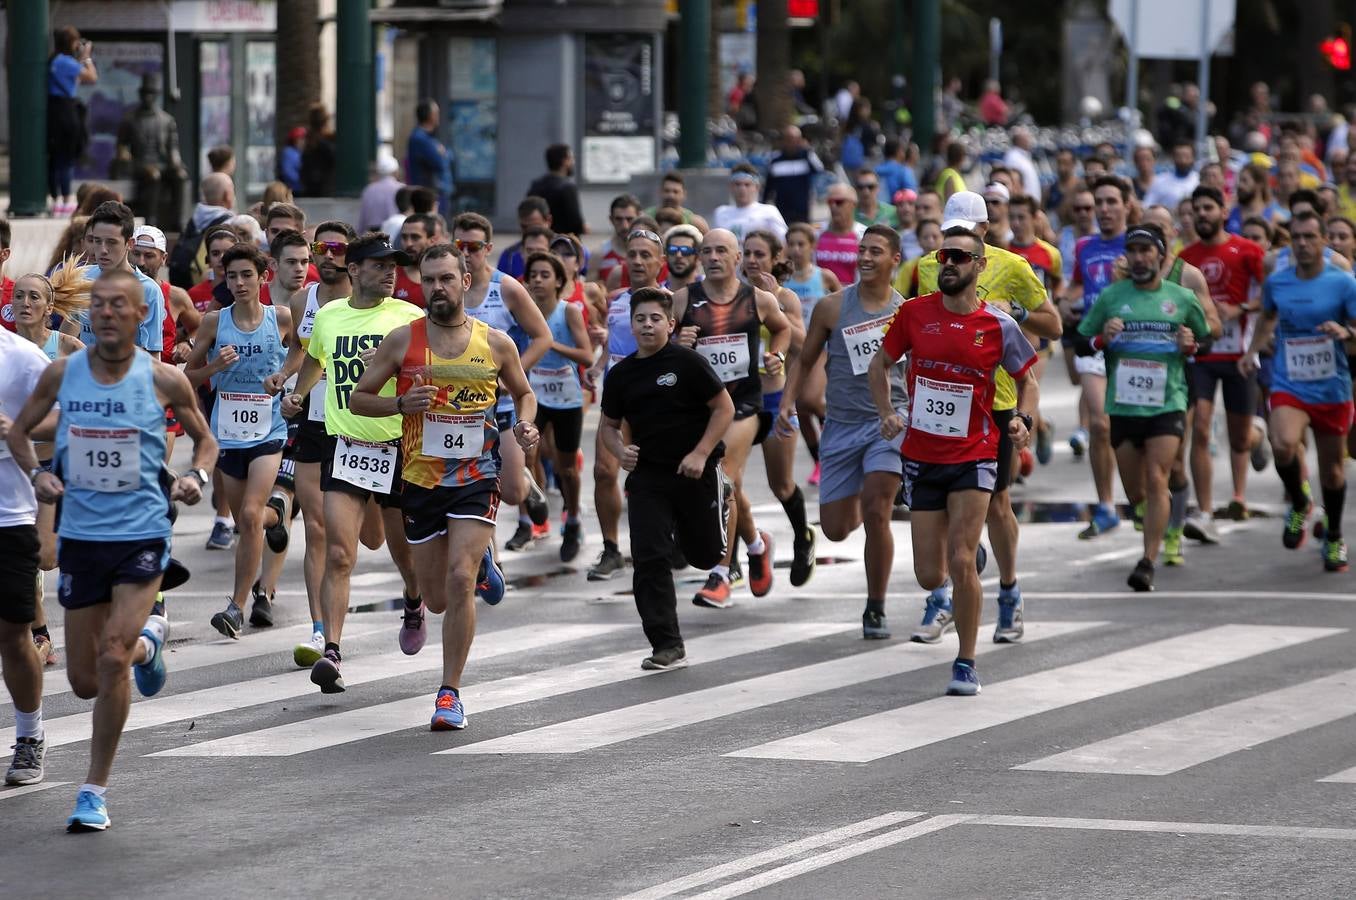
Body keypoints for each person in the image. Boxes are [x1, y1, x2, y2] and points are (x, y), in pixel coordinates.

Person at [7, 268, 216, 832]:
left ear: (139, 313)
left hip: (143, 531)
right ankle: (153, 646)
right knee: (84, 681)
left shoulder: (164, 379)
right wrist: (39, 476)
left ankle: (93, 789)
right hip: (82, 536)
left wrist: (196, 474)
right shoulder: (62, 373)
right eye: (97, 304)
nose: (105, 312)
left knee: (113, 653)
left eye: (117, 305)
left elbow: (205, 438)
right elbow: (20, 432)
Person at [351, 242, 536, 728]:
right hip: (420, 479)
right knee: (435, 598)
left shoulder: (495, 342)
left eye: (445, 279)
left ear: (465, 280)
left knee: (459, 579)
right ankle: (480, 564)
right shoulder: (401, 341)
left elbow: (524, 393)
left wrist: (525, 425)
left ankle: (449, 693)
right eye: (428, 280)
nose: (436, 288)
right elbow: (358, 399)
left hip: (477, 476)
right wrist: (400, 406)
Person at [874, 226, 1038, 695]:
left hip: (975, 453)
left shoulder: (998, 325)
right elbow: (878, 365)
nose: (949, 263)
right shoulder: (913, 314)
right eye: (944, 255)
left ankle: (966, 662)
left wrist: (1023, 419)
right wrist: (888, 410)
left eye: (960, 257)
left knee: (961, 560)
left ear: (979, 266)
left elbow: (1028, 377)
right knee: (931, 573)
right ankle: (965, 560)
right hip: (921, 456)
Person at [896, 191, 1060, 646]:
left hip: (997, 400)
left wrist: (1018, 312)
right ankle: (946, 589)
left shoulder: (1012, 266)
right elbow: (905, 315)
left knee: (997, 502)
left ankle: (1008, 589)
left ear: (985, 232)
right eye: (949, 232)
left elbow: (1054, 325)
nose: (952, 243)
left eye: (965, 232)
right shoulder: (928, 265)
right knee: (946, 517)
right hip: (936, 400)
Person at [282, 233, 426, 692]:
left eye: (394, 266)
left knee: (400, 549)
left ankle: (414, 596)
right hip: (345, 445)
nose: (390, 273)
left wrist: (389, 366)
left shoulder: (408, 317)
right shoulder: (328, 315)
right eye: (380, 264)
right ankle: (332, 650)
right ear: (355, 270)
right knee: (340, 553)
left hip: (399, 446)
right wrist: (299, 394)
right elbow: (316, 359)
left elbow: (431, 370)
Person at [780, 225, 906, 638]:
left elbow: (923, 369)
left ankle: (875, 607)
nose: (866, 257)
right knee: (835, 528)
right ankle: (872, 500)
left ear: (895, 260)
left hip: (888, 423)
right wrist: (787, 404)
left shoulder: (906, 313)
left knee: (876, 509)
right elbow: (804, 359)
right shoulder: (833, 308)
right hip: (842, 425)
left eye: (876, 251)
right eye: (862, 250)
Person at [601, 287, 734, 669]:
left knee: (704, 554)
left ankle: (721, 496)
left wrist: (701, 453)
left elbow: (723, 408)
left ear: (670, 324)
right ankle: (666, 643)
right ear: (632, 324)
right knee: (649, 557)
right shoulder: (622, 375)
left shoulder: (687, 363)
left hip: (695, 471)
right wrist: (618, 451)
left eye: (655, 318)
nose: (647, 325)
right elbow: (609, 426)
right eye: (640, 318)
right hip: (648, 478)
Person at [1075, 225, 1213, 591]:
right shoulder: (1112, 296)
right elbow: (1081, 343)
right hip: (1123, 405)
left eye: (1145, 250)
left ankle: (1147, 560)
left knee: (1157, 479)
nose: (1139, 257)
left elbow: (1206, 339)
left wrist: (1191, 343)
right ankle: (1152, 516)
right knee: (1136, 492)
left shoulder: (1181, 297)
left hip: (1168, 402)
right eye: (1132, 250)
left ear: (1160, 254)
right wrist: (1104, 336)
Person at [672, 229, 792, 608]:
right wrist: (678, 345)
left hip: (743, 404)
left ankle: (723, 573)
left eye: (721, 250)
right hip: (700, 407)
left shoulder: (756, 298)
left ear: (737, 257)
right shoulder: (682, 301)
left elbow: (783, 328)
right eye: (705, 251)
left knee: (724, 477)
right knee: (732, 487)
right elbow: (663, 348)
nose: (712, 257)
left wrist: (778, 355)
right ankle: (756, 544)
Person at [184, 244, 292, 636]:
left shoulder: (280, 318)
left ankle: (236, 606)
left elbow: (304, 357)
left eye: (247, 274)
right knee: (249, 519)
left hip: (269, 430)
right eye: (232, 276)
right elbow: (187, 377)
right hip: (228, 432)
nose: (240, 283)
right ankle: (276, 516)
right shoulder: (214, 322)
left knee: (247, 515)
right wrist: (215, 366)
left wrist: (284, 380)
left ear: (264, 276)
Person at [1244, 211, 1356, 572]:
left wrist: (1347, 332)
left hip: (1331, 386)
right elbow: (1267, 317)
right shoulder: (1278, 282)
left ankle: (1335, 536)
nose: (1304, 244)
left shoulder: (1344, 283)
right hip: (1289, 381)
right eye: (1298, 237)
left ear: (1323, 241)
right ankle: (1299, 500)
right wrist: (1251, 351)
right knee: (1282, 444)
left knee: (1333, 474)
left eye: (1311, 237)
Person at [452, 213, 552, 541]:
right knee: (472, 487)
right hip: (462, 407)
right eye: (459, 245)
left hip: (503, 404)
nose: (466, 252)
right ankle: (484, 557)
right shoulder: (447, 288)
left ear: (488, 248)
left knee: (510, 493)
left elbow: (542, 337)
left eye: (474, 246)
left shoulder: (507, 288)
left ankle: (524, 480)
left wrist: (511, 375)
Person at [1179, 186, 1267, 535]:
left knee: (1240, 435)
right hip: (1201, 354)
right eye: (1196, 209)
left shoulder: (1246, 251)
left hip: (1239, 354)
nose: (1202, 214)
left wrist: (1241, 308)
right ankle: (1204, 510)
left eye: (1208, 208)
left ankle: (1239, 494)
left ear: (1222, 210)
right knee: (1200, 427)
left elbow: (1272, 296)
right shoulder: (1184, 257)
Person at [586, 229, 666, 580]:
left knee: (649, 480)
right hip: (617, 398)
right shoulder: (617, 298)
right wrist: (599, 364)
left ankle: (659, 543)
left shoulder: (670, 302)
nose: (636, 261)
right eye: (631, 254)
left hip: (655, 401)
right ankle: (612, 549)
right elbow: (613, 342)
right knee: (604, 471)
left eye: (645, 255)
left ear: (659, 263)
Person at [741, 231, 814, 586]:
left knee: (781, 484)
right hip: (738, 403)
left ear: (774, 259)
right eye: (747, 253)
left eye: (760, 254)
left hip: (774, 401)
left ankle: (803, 538)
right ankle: (740, 558)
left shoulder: (785, 297)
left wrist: (773, 303)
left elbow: (805, 343)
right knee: (728, 480)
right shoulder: (730, 298)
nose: (752, 260)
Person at [0, 324, 54, 786]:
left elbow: (65, 416)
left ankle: (29, 736)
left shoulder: (19, 356)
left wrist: (19, 428)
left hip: (9, 514)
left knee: (13, 634)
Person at [1066, 176, 1131, 538]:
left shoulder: (1137, 244)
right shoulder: (1085, 246)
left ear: (1126, 206)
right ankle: (1106, 505)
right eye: (1099, 203)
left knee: (1130, 429)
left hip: (1132, 346)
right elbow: (1078, 283)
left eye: (1110, 202)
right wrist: (1065, 300)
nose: (1104, 210)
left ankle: (1139, 497)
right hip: (1092, 341)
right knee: (1101, 424)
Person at [115, 73, 186, 231]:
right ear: (141, 94)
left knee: (180, 176)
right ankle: (151, 220)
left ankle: (178, 221)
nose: (148, 97)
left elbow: (173, 146)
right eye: (146, 93)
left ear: (156, 95)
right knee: (153, 175)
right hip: (139, 164)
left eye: (152, 93)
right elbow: (122, 147)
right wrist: (125, 156)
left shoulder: (166, 120)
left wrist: (175, 162)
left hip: (161, 164)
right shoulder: (130, 119)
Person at [48, 26, 98, 216]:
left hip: (53, 112)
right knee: (67, 157)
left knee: (55, 157)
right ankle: (67, 198)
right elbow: (92, 77)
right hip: (67, 112)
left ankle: (56, 198)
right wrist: (86, 57)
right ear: (71, 43)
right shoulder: (67, 63)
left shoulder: (53, 61)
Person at [763, 127, 824, 226]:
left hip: (802, 209)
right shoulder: (775, 159)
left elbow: (819, 169)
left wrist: (808, 150)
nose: (791, 143)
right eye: (788, 139)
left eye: (795, 139)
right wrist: (764, 204)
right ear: (782, 141)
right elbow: (769, 185)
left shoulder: (807, 156)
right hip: (781, 209)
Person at [714, 164, 788, 243]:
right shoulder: (720, 212)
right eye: (737, 184)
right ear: (730, 187)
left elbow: (785, 242)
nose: (742, 189)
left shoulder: (769, 211)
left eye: (747, 185)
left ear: (757, 187)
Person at [407, 99, 453, 217]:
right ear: (430, 116)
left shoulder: (428, 138)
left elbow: (447, 156)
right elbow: (440, 162)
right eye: (436, 113)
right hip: (430, 193)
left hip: (433, 191)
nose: (438, 116)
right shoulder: (420, 138)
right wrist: (444, 155)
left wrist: (444, 154)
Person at [528, 144, 586, 237]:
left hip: (540, 240)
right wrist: (584, 228)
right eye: (571, 158)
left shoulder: (536, 185)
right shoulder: (568, 188)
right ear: (564, 161)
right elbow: (576, 223)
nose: (573, 162)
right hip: (564, 244)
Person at [817, 182, 865, 286]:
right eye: (830, 202)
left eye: (839, 202)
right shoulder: (815, 233)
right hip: (820, 298)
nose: (833, 206)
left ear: (853, 204)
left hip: (852, 297)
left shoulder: (865, 235)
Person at [496, 197, 553, 280]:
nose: (530, 231)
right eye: (524, 227)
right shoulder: (509, 255)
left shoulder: (565, 248)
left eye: (535, 226)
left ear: (549, 221)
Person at [592, 195, 642, 286]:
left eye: (629, 219)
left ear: (639, 218)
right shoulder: (599, 254)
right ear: (611, 219)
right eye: (619, 219)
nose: (625, 226)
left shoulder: (649, 253)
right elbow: (589, 295)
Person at [395, 212, 439, 307]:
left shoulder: (445, 274)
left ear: (432, 240)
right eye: (404, 237)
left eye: (415, 237)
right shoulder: (392, 275)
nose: (408, 243)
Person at [643, 171, 710, 232]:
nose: (671, 195)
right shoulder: (646, 218)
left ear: (684, 195)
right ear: (660, 192)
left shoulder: (695, 223)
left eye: (676, 192)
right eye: (667, 191)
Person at [300, 103, 337, 197]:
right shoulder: (326, 140)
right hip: (325, 188)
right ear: (325, 120)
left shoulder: (309, 139)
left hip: (310, 187)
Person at [359, 154, 404, 233]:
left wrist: (359, 234)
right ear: (396, 171)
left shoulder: (369, 189)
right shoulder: (402, 188)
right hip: (396, 230)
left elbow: (363, 218)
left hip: (374, 232)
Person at [1004, 127, 1042, 201]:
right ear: (1019, 140)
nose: (1030, 141)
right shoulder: (1013, 157)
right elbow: (1014, 183)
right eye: (1027, 138)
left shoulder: (1022, 156)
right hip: (1023, 204)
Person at [279, 126, 306, 194]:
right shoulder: (288, 152)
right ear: (294, 140)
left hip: (301, 188)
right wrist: (302, 181)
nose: (303, 142)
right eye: (300, 139)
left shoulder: (300, 152)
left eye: (304, 139)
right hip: (293, 190)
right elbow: (287, 172)